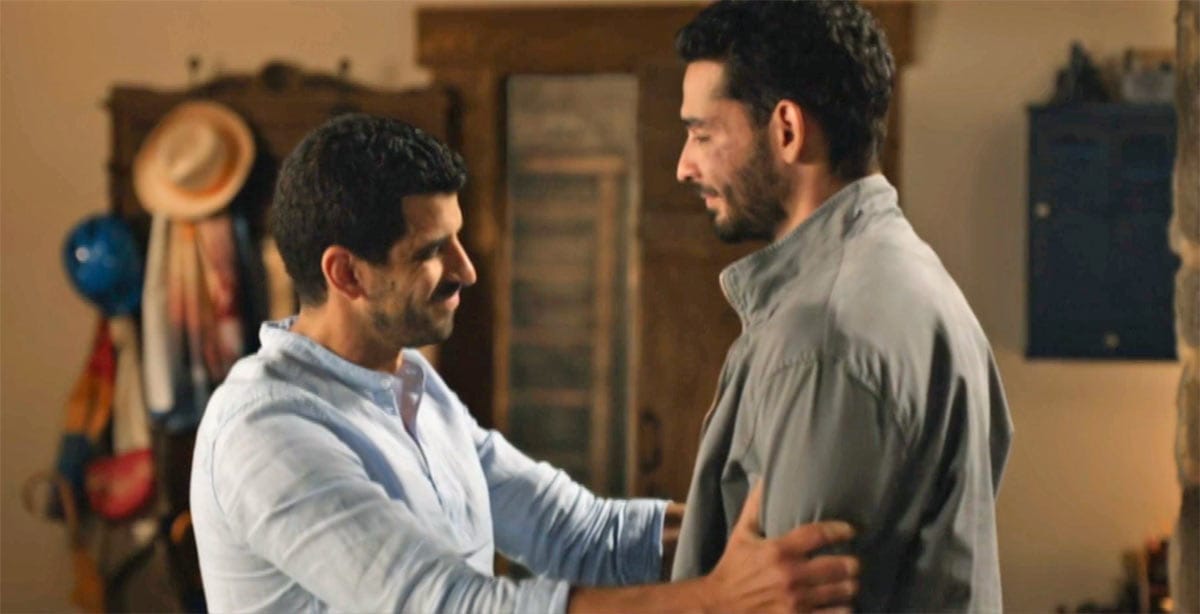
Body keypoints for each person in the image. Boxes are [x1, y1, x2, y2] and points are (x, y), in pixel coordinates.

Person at [189, 113, 861, 613]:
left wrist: (767, 530)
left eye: (458, 240)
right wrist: (717, 601)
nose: (466, 271)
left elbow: (577, 532)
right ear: (347, 273)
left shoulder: (411, 383)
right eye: (432, 251)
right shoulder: (265, 432)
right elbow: (452, 607)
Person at [669, 1, 1015, 612]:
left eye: (702, 135)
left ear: (786, 129)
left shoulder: (823, 339)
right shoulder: (917, 280)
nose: (684, 166)